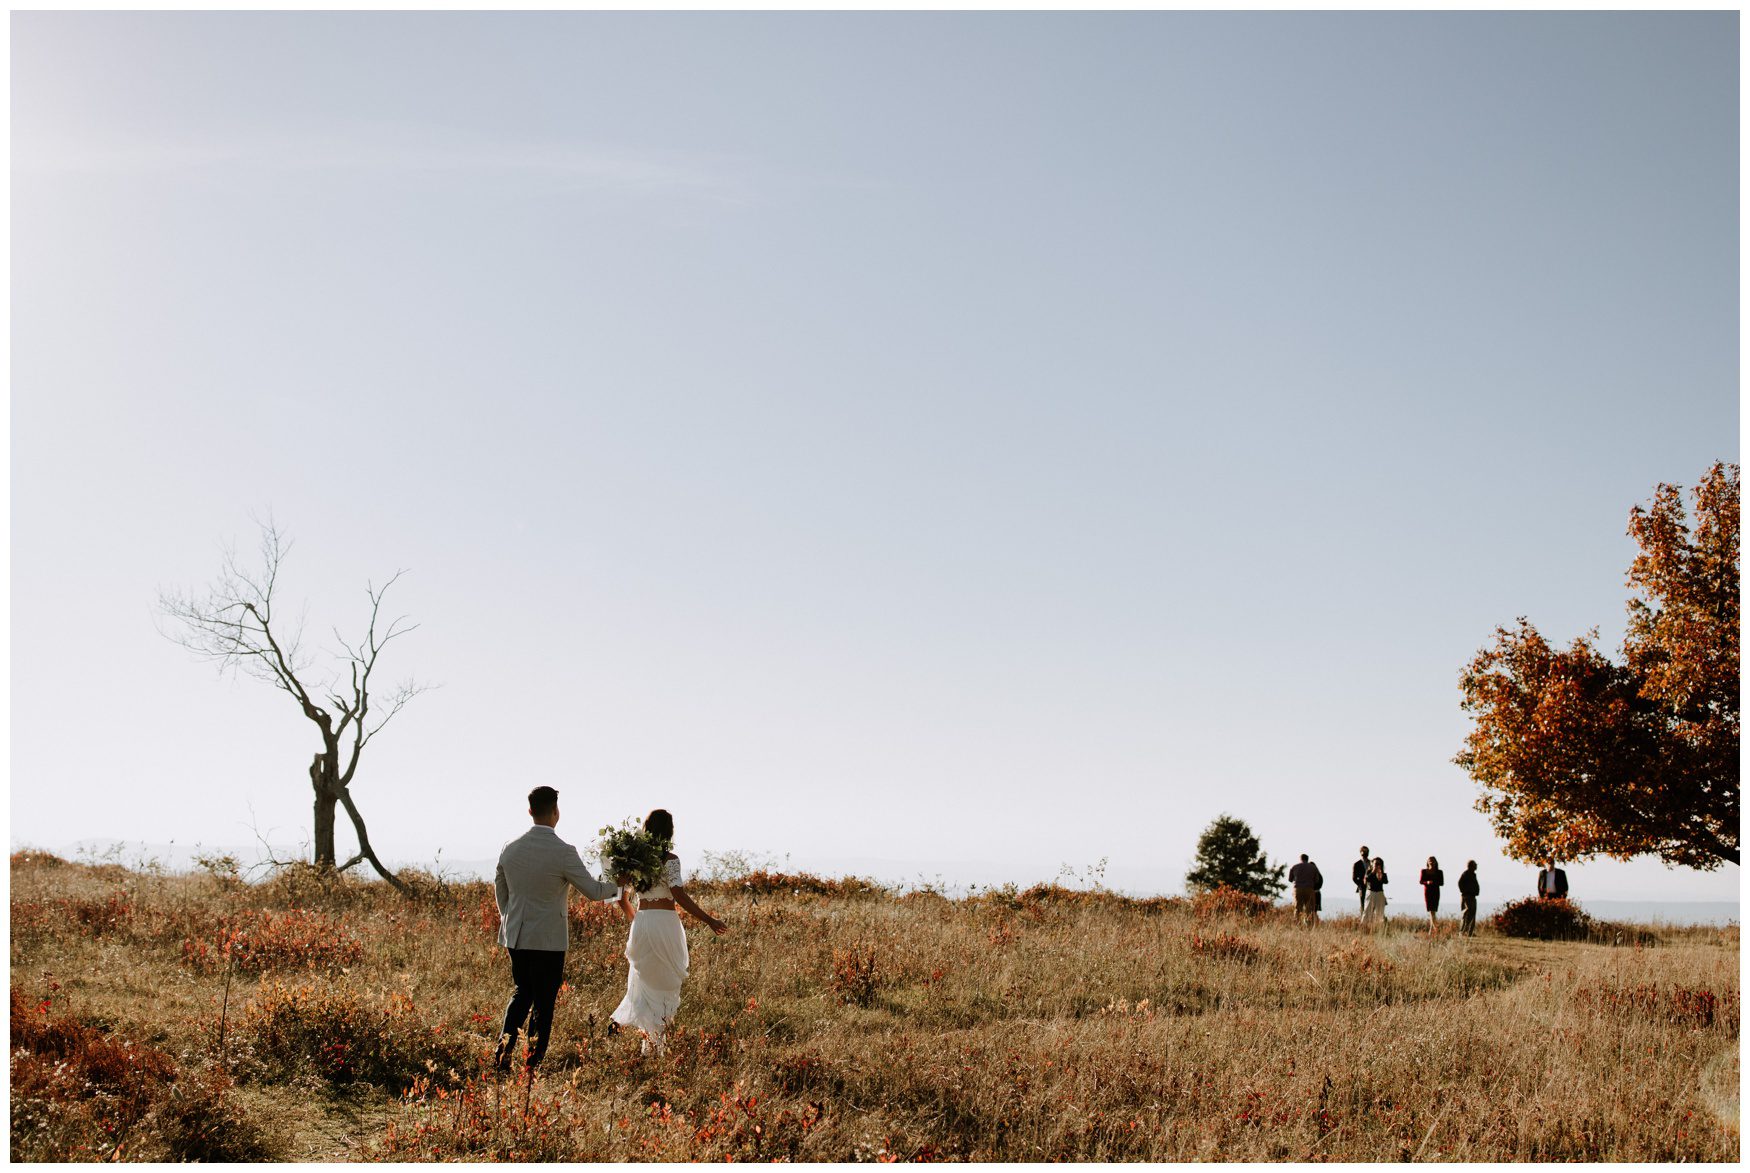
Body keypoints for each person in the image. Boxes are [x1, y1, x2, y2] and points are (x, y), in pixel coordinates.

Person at [493, 785, 622, 1074]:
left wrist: (509, 917)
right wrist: (620, 881)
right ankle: (532, 1064)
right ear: (556, 812)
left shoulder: (510, 847)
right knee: (544, 1001)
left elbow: (499, 885)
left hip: (516, 934)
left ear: (529, 811)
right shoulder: (564, 852)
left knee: (521, 993)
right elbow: (594, 891)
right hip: (549, 940)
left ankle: (502, 1056)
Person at [611, 809, 727, 1055]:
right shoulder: (670, 859)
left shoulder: (634, 861)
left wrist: (635, 918)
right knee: (665, 983)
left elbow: (619, 895)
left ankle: (648, 1044)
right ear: (669, 832)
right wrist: (708, 919)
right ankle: (654, 1044)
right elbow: (678, 894)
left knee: (644, 981)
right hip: (665, 924)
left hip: (642, 923)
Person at [1287, 853, 1323, 927]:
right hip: (1309, 889)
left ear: (1300, 859)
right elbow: (1316, 880)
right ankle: (1309, 926)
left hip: (1298, 889)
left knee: (1297, 908)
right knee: (1309, 909)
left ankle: (1297, 925)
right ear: (1307, 859)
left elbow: (1290, 879)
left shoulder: (1295, 867)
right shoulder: (1313, 868)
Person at [1362, 857, 1388, 930]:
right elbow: (1367, 879)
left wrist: (1380, 875)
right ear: (1372, 864)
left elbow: (1385, 881)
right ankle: (1364, 927)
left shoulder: (1383, 874)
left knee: (1380, 913)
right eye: (1375, 863)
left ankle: (1379, 928)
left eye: (1379, 864)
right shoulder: (1369, 872)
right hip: (1371, 892)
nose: (1377, 865)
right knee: (1367, 911)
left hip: (1379, 893)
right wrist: (1373, 872)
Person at [1419, 856, 1444, 931]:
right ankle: (1435, 929)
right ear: (1427, 862)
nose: (1431, 862)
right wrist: (1427, 882)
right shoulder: (1423, 871)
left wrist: (1434, 882)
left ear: (1436, 862)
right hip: (1428, 892)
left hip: (1436, 892)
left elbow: (1441, 883)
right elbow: (1421, 881)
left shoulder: (1439, 872)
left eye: (1433, 861)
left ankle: (1432, 930)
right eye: (1430, 861)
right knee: (1431, 910)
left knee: (1433, 910)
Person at [1457, 860, 1480, 936]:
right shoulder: (1466, 874)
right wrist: (1465, 891)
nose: (1476, 866)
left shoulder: (1473, 874)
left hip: (1473, 896)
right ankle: (1463, 931)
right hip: (1467, 897)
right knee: (1467, 913)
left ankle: (1470, 932)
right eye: (1475, 865)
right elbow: (1460, 883)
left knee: (1472, 914)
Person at [1352, 846, 1371, 916]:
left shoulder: (1371, 863)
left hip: (1371, 886)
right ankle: (1363, 918)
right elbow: (1354, 878)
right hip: (1362, 887)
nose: (1365, 854)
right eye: (1363, 852)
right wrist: (1360, 884)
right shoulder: (1357, 864)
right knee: (1363, 904)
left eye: (1366, 852)